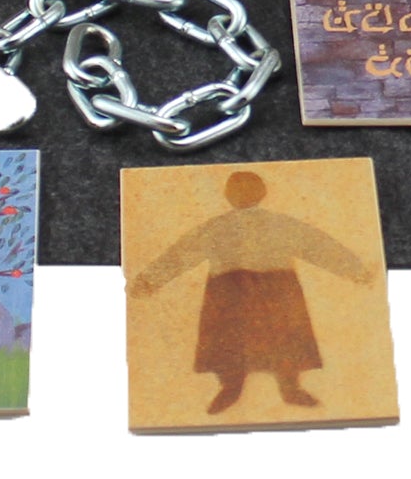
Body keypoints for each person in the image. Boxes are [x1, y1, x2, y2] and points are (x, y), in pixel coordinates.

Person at [128, 170, 375, 414]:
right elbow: (180, 254)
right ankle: (233, 387)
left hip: (273, 290)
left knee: (283, 340)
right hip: (233, 292)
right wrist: (148, 281)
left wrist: (356, 271)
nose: (243, 195)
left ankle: (289, 387)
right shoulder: (221, 227)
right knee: (232, 341)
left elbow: (318, 246)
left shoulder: (276, 225)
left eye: (247, 190)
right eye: (238, 191)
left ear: (259, 193)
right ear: (229, 195)